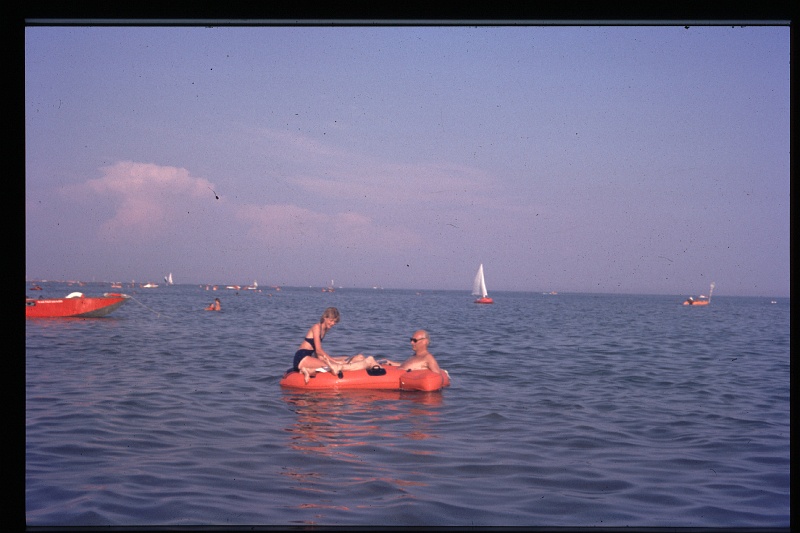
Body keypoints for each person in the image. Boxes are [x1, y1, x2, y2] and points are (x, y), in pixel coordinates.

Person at [293, 307, 384, 383]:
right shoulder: (316, 327)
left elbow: (317, 353)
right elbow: (318, 350)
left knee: (342, 359)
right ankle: (306, 370)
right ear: (325, 318)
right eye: (331, 320)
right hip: (301, 357)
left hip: (309, 357)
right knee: (331, 365)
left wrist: (331, 360)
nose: (333, 323)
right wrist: (332, 361)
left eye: (335, 322)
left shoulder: (324, 330)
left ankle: (353, 362)